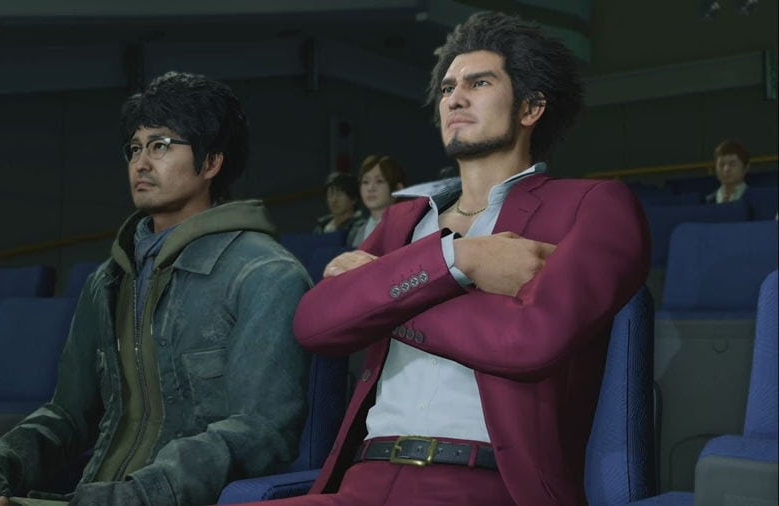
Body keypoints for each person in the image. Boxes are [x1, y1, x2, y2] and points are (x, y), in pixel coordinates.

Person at [243, 11, 650, 506]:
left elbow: (531, 341)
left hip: (487, 485)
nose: (454, 98)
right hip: (362, 479)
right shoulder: (402, 219)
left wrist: (380, 299)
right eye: (447, 88)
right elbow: (314, 324)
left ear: (530, 108)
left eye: (479, 83)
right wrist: (459, 258)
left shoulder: (595, 205)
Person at [0, 72, 311, 506]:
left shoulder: (264, 274)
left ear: (211, 163)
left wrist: (136, 495)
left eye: (161, 145)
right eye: (135, 148)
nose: (141, 163)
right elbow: (68, 414)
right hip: (94, 494)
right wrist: (0, 465)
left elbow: (263, 429)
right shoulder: (109, 279)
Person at [349, 155, 407, 247]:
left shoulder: (408, 229)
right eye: (365, 182)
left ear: (398, 189)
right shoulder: (356, 232)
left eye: (379, 181)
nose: (370, 188)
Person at [313, 171, 364, 244]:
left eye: (339, 194)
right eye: (330, 194)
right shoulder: (320, 228)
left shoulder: (361, 227)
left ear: (354, 199)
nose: (334, 200)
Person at [705, 139, 750, 204]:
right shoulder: (707, 202)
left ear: (745, 168)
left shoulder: (757, 199)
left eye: (732, 164)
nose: (726, 169)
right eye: (722, 165)